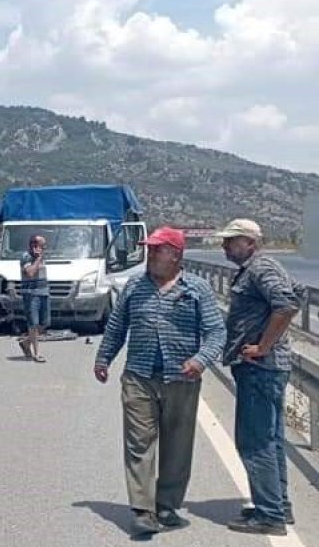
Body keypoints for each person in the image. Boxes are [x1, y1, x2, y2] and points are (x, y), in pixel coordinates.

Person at [92, 226, 226, 537]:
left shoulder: (197, 289)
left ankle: (166, 505)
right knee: (139, 443)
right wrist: (103, 358)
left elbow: (216, 332)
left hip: (182, 377)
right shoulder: (134, 287)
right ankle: (142, 510)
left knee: (177, 445)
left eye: (158, 249)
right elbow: (117, 325)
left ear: (176, 255)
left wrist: (200, 360)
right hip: (139, 377)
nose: (150, 254)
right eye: (150, 249)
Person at [216, 219, 299, 536]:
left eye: (231, 241)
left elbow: (288, 304)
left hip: (260, 368)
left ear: (250, 242)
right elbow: (299, 292)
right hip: (265, 368)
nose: (224, 247)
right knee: (271, 439)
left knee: (255, 442)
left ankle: (269, 515)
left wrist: (263, 345)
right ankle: (278, 505)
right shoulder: (261, 267)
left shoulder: (261, 268)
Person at [19, 234, 50, 362]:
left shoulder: (43, 257)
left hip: (44, 292)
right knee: (33, 324)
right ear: (34, 246)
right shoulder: (25, 257)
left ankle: (26, 342)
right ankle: (36, 353)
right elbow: (30, 273)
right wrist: (37, 259)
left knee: (44, 323)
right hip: (31, 294)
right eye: (42, 246)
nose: (44, 248)